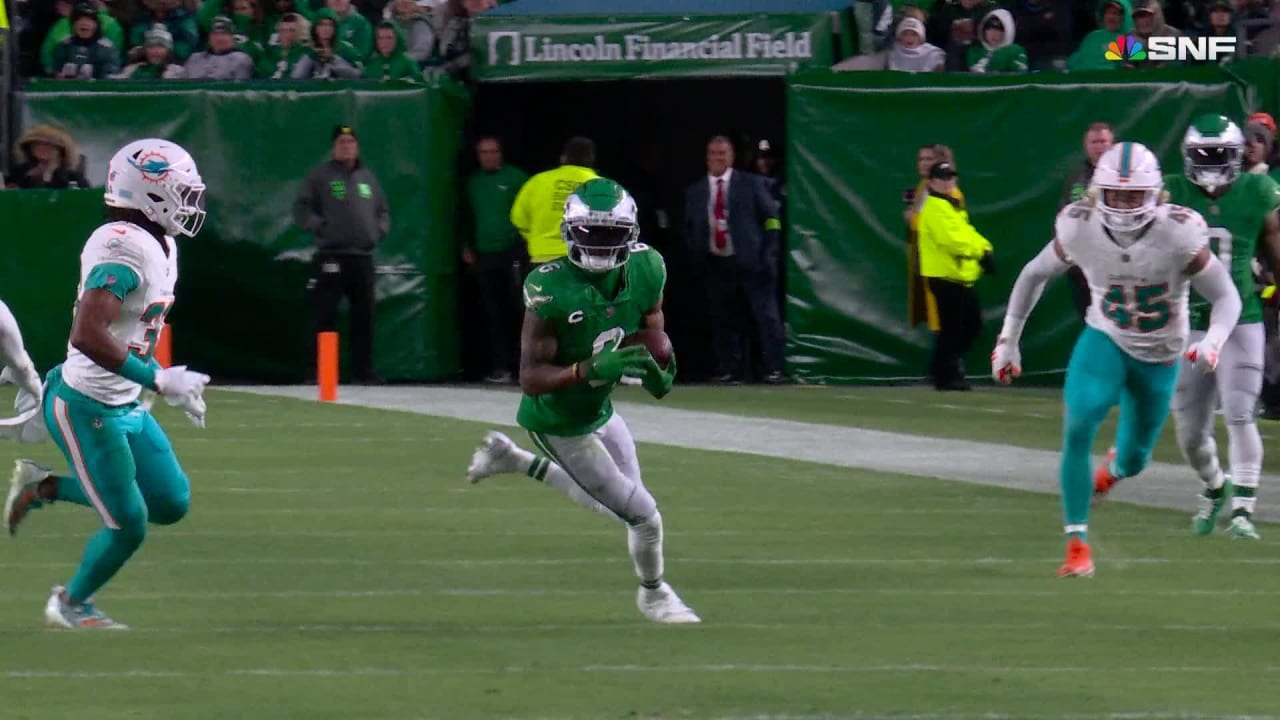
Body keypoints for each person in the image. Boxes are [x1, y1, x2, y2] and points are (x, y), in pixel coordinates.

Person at [992, 141, 1243, 578]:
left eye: (1134, 196)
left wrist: (1215, 341)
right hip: (1105, 337)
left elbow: (1226, 297)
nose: (1125, 206)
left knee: (1135, 457)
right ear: (1096, 193)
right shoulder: (1079, 227)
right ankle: (1076, 545)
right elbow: (1033, 273)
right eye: (1116, 195)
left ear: (1155, 195)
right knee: (1079, 422)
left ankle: (1115, 468)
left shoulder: (1179, 232)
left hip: (1160, 355)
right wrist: (1008, 339)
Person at [465, 177, 698, 625]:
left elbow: (654, 333)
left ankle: (512, 461)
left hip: (601, 409)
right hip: (557, 420)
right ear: (571, 231)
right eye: (590, 232)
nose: (599, 243)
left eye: (610, 233)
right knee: (643, 517)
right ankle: (654, 595)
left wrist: (659, 370)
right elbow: (530, 378)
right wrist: (587, 370)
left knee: (626, 508)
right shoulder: (548, 287)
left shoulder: (649, 269)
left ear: (629, 233)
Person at [3, 138, 214, 629]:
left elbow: (133, 329)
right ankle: (70, 604)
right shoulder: (124, 247)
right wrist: (159, 380)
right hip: (84, 405)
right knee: (128, 525)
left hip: (123, 400)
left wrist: (155, 383)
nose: (190, 202)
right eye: (181, 191)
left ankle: (42, 486)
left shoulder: (161, 242)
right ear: (151, 192)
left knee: (170, 502)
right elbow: (88, 334)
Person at [1156, 115, 1280, 540]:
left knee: (1241, 413)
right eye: (1202, 154)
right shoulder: (1170, 189)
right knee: (1190, 432)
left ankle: (1243, 509)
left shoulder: (1258, 190)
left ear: (1237, 155)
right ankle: (1213, 487)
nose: (1209, 163)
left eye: (1218, 154)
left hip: (1241, 319)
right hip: (1187, 322)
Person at [684, 135, 786, 384]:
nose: (718, 158)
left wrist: (768, 254)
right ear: (707, 157)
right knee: (723, 319)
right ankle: (730, 369)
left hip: (753, 263)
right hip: (716, 263)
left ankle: (774, 367)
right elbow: (689, 226)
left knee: (765, 317)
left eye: (723, 153)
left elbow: (772, 219)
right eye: (713, 154)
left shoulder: (751, 184)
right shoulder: (695, 191)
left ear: (731, 156)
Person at [293, 124, 389, 384]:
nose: (347, 146)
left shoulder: (368, 177)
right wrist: (321, 227)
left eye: (350, 142)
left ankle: (364, 371)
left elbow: (383, 210)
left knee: (364, 316)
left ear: (357, 146)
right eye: (341, 142)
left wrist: (378, 231)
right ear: (334, 147)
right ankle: (318, 371)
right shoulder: (320, 176)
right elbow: (302, 209)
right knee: (325, 314)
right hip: (332, 257)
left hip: (362, 257)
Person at [916, 160, 994, 391]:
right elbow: (951, 241)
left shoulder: (951, 205)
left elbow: (967, 233)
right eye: (942, 177)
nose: (948, 181)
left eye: (951, 176)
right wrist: (980, 253)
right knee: (954, 328)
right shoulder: (933, 207)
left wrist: (985, 248)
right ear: (931, 182)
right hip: (944, 277)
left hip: (958, 277)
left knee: (969, 326)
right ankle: (944, 374)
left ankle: (942, 368)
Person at [463, 135, 529, 384]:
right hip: (484, 254)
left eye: (493, 151)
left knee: (519, 310)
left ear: (501, 153)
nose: (489, 156)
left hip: (512, 252)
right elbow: (466, 215)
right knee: (493, 312)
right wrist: (466, 245)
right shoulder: (473, 182)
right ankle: (500, 367)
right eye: (484, 152)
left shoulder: (516, 178)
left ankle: (523, 366)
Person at [510, 136, 598, 271]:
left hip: (542, 260)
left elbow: (518, 218)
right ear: (591, 159)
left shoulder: (538, 181)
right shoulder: (601, 186)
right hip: (584, 260)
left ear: (563, 158)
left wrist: (534, 237)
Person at [1060, 123, 1114, 321]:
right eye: (1094, 142)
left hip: (1116, 266)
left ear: (1111, 143)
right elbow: (1064, 216)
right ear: (1086, 145)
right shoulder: (1075, 178)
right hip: (1081, 268)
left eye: (1103, 141)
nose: (1099, 146)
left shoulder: (1123, 176)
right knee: (1090, 321)